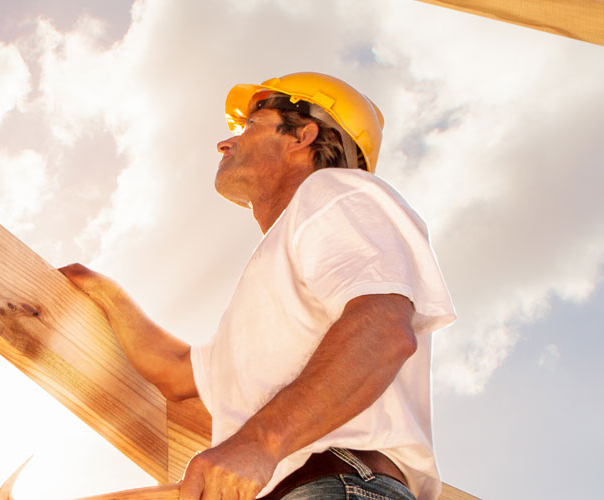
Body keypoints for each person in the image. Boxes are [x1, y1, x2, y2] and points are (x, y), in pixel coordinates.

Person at [59, 73, 456, 500]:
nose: (225, 142)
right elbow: (174, 370)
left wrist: (259, 443)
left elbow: (383, 330)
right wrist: (106, 293)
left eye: (250, 125)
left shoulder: (336, 192)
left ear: (302, 136)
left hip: (338, 484)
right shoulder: (274, 293)